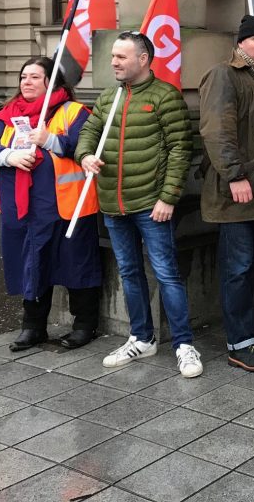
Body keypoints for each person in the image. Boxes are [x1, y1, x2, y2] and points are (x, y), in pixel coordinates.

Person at [75, 31, 202, 378]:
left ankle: (184, 345)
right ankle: (141, 338)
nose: (113, 62)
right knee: (129, 273)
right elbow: (89, 132)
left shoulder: (165, 96)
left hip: (151, 204)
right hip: (113, 205)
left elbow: (181, 148)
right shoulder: (107, 97)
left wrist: (168, 197)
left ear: (143, 60)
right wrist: (85, 155)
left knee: (167, 275)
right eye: (113, 56)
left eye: (121, 57)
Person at [0, 57, 101, 351]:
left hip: (65, 207)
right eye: (24, 77)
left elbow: (84, 145)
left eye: (35, 77)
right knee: (31, 265)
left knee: (76, 265)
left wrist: (50, 141)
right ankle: (33, 327)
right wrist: (9, 156)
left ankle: (84, 326)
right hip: (23, 210)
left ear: (52, 82)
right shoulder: (7, 115)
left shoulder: (73, 112)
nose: (27, 82)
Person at [199, 15, 254, 372]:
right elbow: (217, 131)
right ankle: (239, 343)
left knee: (251, 264)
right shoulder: (226, 74)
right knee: (237, 267)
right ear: (241, 43)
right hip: (236, 191)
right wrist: (235, 176)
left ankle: (247, 331)